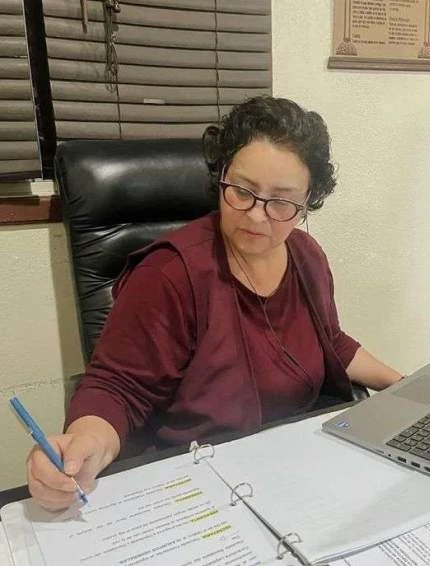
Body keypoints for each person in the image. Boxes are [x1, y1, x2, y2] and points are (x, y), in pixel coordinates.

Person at [27, 96, 402, 510]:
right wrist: (83, 446)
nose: (256, 215)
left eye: (281, 201)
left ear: (307, 201)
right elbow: (117, 388)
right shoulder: (169, 274)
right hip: (206, 483)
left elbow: (331, 341)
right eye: (242, 191)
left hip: (298, 465)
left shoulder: (307, 255)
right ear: (221, 176)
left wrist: (404, 386)